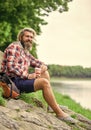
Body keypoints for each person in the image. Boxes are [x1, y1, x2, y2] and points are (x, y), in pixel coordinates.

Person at [1, 27, 77, 124]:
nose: (30, 39)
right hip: (12, 82)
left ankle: (51, 105)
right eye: (27, 36)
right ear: (20, 37)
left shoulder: (25, 52)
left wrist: (44, 66)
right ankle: (59, 114)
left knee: (44, 72)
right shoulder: (14, 47)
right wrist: (28, 76)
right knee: (44, 83)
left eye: (31, 37)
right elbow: (11, 67)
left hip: (20, 81)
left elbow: (36, 62)